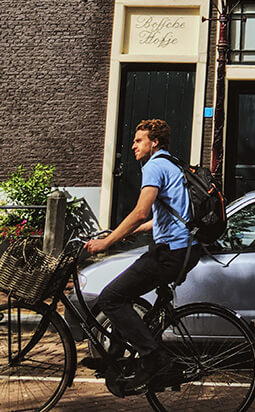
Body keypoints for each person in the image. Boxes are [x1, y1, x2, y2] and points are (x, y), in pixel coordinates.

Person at [84, 118, 199, 389]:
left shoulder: (155, 166)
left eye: (139, 141)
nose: (133, 146)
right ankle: (115, 358)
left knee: (111, 298)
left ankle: (155, 358)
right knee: (125, 296)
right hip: (182, 250)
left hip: (169, 253)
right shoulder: (174, 164)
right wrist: (140, 229)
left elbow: (140, 211)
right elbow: (172, 212)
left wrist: (108, 242)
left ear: (154, 142)